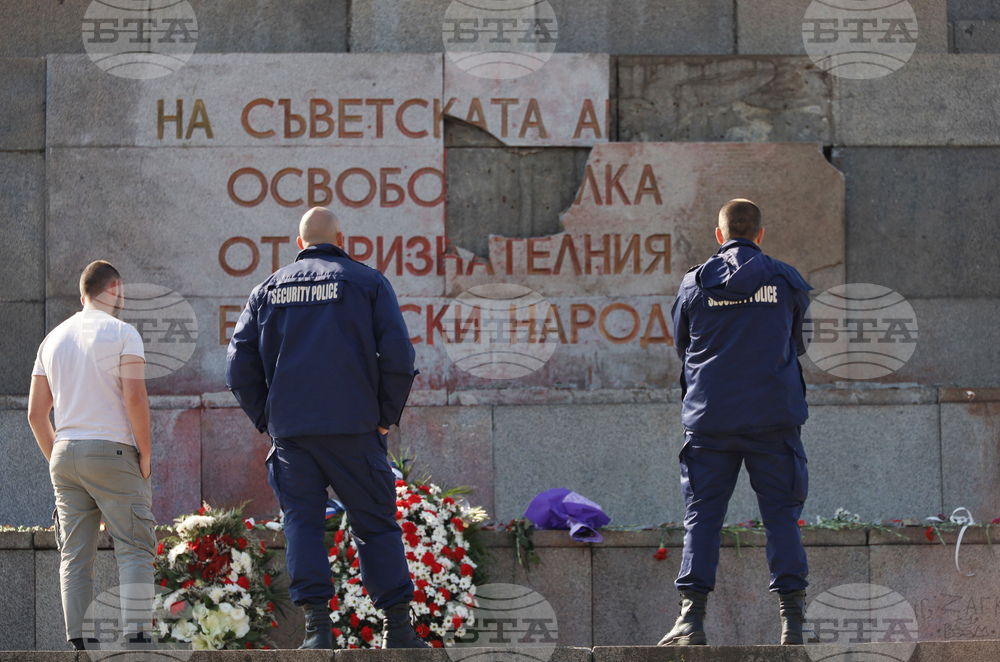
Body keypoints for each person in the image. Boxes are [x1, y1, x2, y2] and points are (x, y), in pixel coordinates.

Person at [226, 207, 423, 649]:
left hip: (293, 436)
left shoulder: (267, 290)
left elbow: (238, 368)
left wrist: (270, 418)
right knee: (375, 526)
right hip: (354, 429)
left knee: (302, 526)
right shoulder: (368, 282)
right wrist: (383, 417)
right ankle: (399, 632)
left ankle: (318, 632)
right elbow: (398, 359)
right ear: (341, 237)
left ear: (300, 245)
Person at [661, 199, 818, 646]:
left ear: (719, 234)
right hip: (773, 419)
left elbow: (682, 347)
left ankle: (691, 621)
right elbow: (798, 344)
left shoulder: (693, 284)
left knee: (702, 519)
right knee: (782, 518)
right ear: (761, 235)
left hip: (710, 422)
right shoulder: (786, 280)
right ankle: (794, 622)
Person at [28, 260, 156, 651]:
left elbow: (36, 414)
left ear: (81, 295)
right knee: (134, 547)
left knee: (75, 554)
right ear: (114, 289)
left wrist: (57, 458)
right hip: (113, 450)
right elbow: (134, 396)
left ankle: (80, 642)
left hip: (65, 452)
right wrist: (146, 453)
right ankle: (137, 635)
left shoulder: (52, 339)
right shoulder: (123, 333)